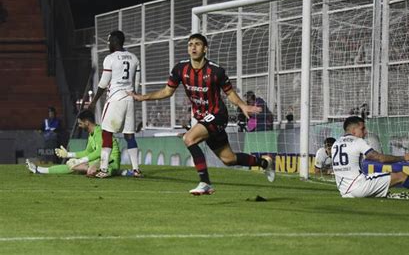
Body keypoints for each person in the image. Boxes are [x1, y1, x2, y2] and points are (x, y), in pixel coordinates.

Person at [128, 33, 275, 195]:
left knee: (189, 138)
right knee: (229, 159)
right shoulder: (180, 69)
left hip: (218, 114)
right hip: (202, 118)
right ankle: (264, 163)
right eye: (190, 44)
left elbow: (230, 93)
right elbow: (167, 91)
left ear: (205, 49)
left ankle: (205, 182)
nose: (193, 47)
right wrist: (143, 97)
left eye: (197, 44)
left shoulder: (216, 71)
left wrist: (243, 105)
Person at [332, 116, 409, 201]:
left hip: (344, 191)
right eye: (362, 129)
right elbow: (380, 158)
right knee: (400, 176)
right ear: (353, 130)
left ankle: (382, 194)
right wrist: (403, 157)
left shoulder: (336, 144)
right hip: (358, 187)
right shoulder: (357, 141)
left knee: (376, 177)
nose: (365, 132)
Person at [88, 30, 142, 178]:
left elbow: (104, 83)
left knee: (106, 132)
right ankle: (136, 169)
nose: (108, 43)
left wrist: (94, 101)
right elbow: (136, 84)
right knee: (129, 135)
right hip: (130, 99)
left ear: (115, 41)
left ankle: (104, 170)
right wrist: (132, 95)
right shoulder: (134, 58)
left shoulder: (110, 58)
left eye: (109, 40)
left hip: (115, 99)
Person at [26, 110, 121, 176]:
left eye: (80, 123)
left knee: (87, 169)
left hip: (111, 162)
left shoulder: (99, 133)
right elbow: (87, 152)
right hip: (101, 161)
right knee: (71, 165)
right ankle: (39, 170)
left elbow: (99, 152)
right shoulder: (91, 134)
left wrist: (79, 161)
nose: (79, 126)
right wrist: (68, 154)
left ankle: (118, 172)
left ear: (87, 122)